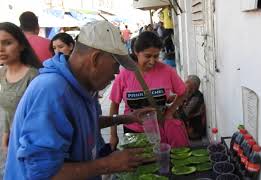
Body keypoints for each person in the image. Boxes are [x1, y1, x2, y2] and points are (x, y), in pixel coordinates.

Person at [4, 21, 152, 180]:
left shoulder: (83, 86)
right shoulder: (52, 91)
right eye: (115, 65)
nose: (116, 73)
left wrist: (126, 118)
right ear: (95, 59)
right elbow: (41, 173)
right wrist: (108, 164)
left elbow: (84, 124)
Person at [109, 31, 189, 149]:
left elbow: (183, 92)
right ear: (136, 52)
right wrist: (113, 135)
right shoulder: (124, 74)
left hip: (160, 130)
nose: (152, 61)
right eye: (147, 56)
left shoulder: (167, 71)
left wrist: (170, 112)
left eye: (156, 56)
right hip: (133, 132)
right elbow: (114, 105)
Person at [0, 22, 42, 176]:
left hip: (32, 145)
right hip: (13, 140)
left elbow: (40, 118)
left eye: (8, 43)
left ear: (21, 45)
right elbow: (6, 109)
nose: (1, 49)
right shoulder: (2, 73)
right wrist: (6, 133)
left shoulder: (34, 77)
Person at [176, 75, 206, 140]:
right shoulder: (189, 94)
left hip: (194, 131)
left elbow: (183, 115)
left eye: (187, 83)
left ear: (194, 86)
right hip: (187, 127)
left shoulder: (197, 97)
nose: (184, 84)